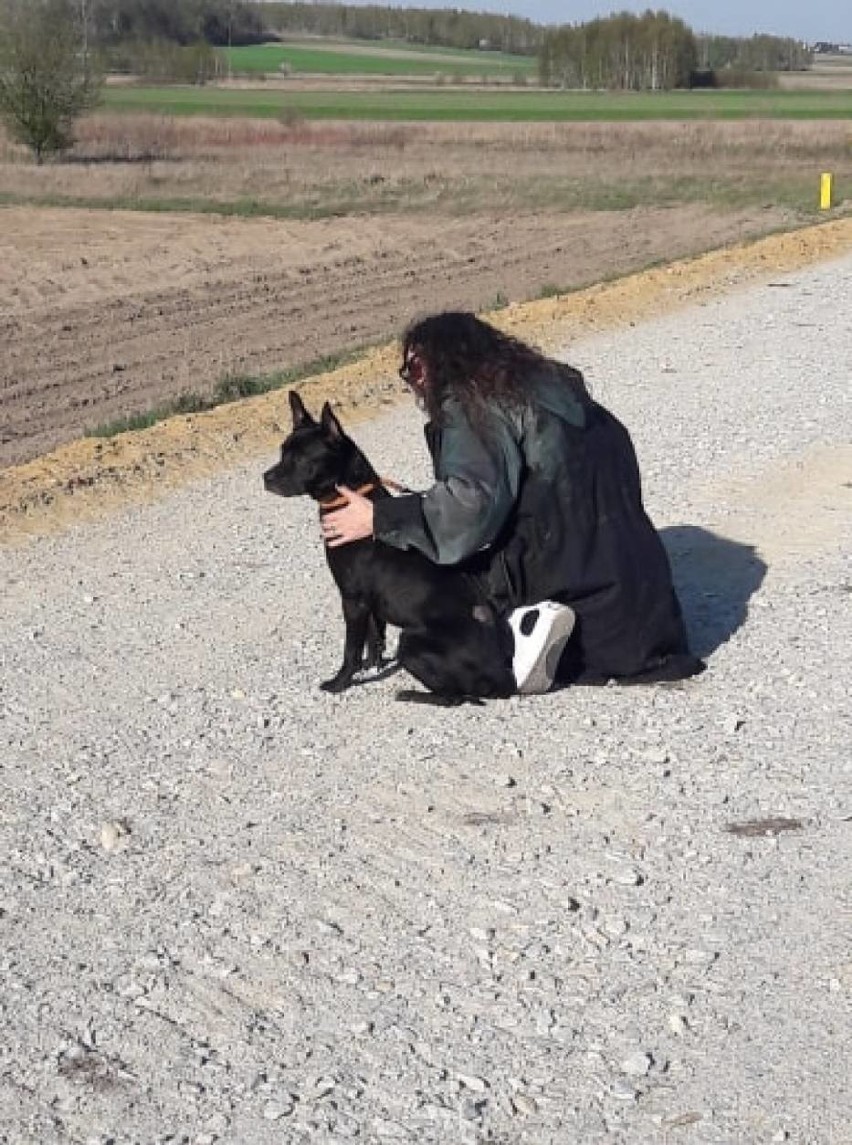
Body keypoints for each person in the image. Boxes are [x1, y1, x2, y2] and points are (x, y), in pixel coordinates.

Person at [321, 311, 703, 694]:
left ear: (436, 363)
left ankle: (519, 642)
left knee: (436, 577)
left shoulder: (473, 405)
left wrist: (382, 517)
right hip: (644, 603)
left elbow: (467, 514)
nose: (413, 385)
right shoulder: (554, 387)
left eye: (413, 370)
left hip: (569, 581)